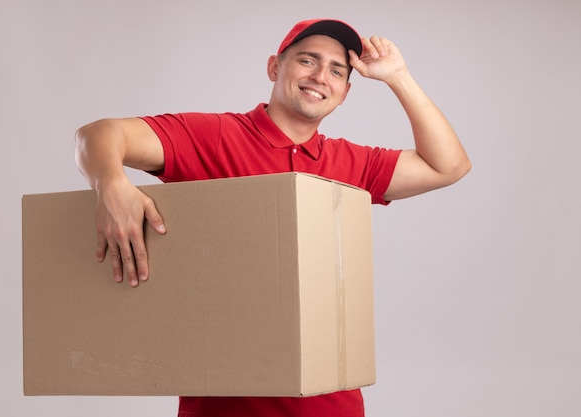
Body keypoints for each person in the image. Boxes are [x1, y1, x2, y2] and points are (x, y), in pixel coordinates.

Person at [75, 18, 470, 417]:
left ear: (345, 93)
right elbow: (98, 134)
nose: (320, 76)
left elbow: (448, 166)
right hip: (222, 407)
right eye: (307, 60)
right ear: (274, 68)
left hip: (331, 407)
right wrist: (110, 185)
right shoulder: (213, 136)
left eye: (337, 70)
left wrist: (398, 77)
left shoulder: (354, 163)